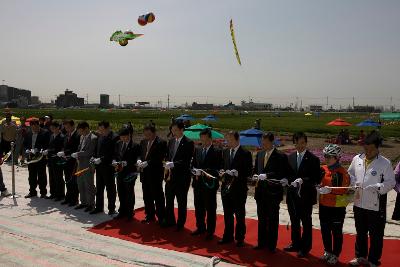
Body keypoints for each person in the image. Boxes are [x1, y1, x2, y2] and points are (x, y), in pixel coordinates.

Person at [348, 131, 395, 267]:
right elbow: (350, 173)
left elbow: (391, 182)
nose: (368, 152)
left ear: (377, 148)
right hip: (359, 203)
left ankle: (373, 260)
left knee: (376, 235)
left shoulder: (385, 163)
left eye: (371, 149)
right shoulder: (357, 159)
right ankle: (360, 256)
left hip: (376, 205)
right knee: (360, 232)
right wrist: (352, 181)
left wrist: (378, 186)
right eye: (365, 149)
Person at [285, 132, 321, 258]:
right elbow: (288, 174)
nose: (300, 145)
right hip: (292, 196)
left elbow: (316, 178)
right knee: (294, 221)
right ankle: (295, 243)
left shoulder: (313, 159)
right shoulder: (290, 157)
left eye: (302, 143)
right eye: (297, 142)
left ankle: (305, 247)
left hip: (306, 196)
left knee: (306, 222)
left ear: (306, 143)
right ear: (294, 143)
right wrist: (286, 180)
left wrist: (303, 181)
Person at [253, 132, 290, 252]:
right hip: (260, 193)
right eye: (262, 142)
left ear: (272, 141)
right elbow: (256, 170)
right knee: (262, 219)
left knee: (273, 220)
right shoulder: (259, 154)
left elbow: (281, 173)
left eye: (265, 142)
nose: (263, 145)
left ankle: (271, 245)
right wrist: (254, 176)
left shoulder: (280, 156)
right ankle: (261, 242)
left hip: (273, 193)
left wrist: (267, 175)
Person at [318, 144, 351, 265]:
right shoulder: (322, 169)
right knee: (325, 230)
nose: (326, 158)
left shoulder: (343, 172)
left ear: (337, 157)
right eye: (325, 155)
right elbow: (318, 182)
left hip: (337, 207)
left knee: (336, 232)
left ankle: (336, 254)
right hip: (324, 205)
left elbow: (344, 189)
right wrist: (318, 187)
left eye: (329, 156)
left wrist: (330, 190)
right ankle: (327, 251)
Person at [219, 131, 252, 247]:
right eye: (227, 139)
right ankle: (228, 236)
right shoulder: (226, 152)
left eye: (231, 139)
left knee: (239, 215)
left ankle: (240, 238)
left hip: (239, 189)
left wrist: (238, 173)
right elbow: (222, 166)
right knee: (227, 214)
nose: (228, 141)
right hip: (226, 188)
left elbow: (249, 171)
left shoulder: (245, 153)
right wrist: (222, 172)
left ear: (237, 140)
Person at [191, 128, 222, 240]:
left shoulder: (217, 152)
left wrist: (204, 171)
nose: (203, 141)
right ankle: (200, 227)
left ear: (210, 139)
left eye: (205, 139)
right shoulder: (198, 150)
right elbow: (193, 165)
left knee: (210, 209)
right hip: (198, 184)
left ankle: (210, 231)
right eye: (201, 139)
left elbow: (218, 169)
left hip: (210, 185)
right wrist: (194, 171)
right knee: (198, 208)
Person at [163, 121, 194, 231]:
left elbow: (186, 161)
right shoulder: (171, 141)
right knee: (169, 200)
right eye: (172, 130)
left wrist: (174, 164)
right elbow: (168, 155)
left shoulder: (189, 143)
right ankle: (170, 220)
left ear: (182, 130)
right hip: (170, 177)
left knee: (181, 202)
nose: (173, 132)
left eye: (176, 130)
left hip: (182, 178)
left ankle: (180, 224)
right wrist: (167, 162)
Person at [138, 123, 167, 224]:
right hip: (144, 173)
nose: (147, 137)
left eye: (149, 134)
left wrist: (148, 163)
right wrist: (139, 160)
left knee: (158, 196)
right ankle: (149, 215)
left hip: (155, 174)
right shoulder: (143, 142)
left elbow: (160, 158)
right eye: (145, 135)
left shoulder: (161, 143)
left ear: (154, 133)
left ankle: (161, 217)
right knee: (147, 195)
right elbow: (140, 154)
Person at [90, 121, 118, 215]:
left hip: (108, 167)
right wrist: (93, 157)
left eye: (103, 130)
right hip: (99, 167)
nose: (101, 132)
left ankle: (111, 208)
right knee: (99, 188)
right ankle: (99, 207)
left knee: (110, 189)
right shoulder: (100, 136)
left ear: (108, 128)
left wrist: (102, 159)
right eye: (100, 130)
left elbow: (113, 153)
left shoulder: (114, 137)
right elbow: (96, 149)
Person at [113, 125, 141, 221]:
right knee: (120, 192)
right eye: (121, 137)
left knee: (129, 192)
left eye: (125, 136)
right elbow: (115, 155)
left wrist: (128, 163)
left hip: (130, 172)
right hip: (120, 172)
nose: (123, 138)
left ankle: (130, 212)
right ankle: (122, 211)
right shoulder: (118, 144)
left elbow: (137, 158)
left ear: (129, 135)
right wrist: (114, 162)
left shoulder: (135, 145)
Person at [72, 121, 97, 212]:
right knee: (80, 183)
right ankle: (83, 202)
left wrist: (78, 153)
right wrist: (76, 154)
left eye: (81, 131)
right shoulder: (82, 137)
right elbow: (80, 148)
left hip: (88, 164)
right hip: (80, 163)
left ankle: (91, 204)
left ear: (86, 128)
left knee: (88, 184)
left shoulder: (93, 138)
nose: (80, 133)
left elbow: (90, 152)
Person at [23, 119, 50, 198]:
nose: (34, 128)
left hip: (40, 157)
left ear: (39, 125)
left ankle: (43, 192)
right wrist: (27, 150)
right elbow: (25, 144)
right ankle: (32, 191)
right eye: (32, 126)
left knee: (41, 175)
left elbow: (47, 144)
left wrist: (38, 149)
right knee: (31, 175)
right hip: (30, 157)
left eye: (36, 126)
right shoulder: (28, 133)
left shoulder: (45, 133)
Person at [59, 120, 80, 207]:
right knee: (67, 179)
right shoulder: (67, 135)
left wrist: (65, 153)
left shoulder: (78, 135)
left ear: (73, 126)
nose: (67, 129)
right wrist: (63, 152)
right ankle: (68, 197)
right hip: (66, 161)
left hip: (74, 161)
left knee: (73, 181)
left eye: (68, 127)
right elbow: (65, 146)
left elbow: (75, 148)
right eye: (65, 127)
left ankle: (74, 199)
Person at [45, 121, 65, 201]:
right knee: (51, 177)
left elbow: (59, 149)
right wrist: (47, 151)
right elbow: (50, 146)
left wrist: (49, 151)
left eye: (54, 128)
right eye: (51, 128)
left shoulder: (62, 137)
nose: (52, 129)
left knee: (58, 177)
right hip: (51, 160)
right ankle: (53, 193)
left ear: (58, 128)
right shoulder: (51, 136)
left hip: (58, 160)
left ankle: (60, 194)